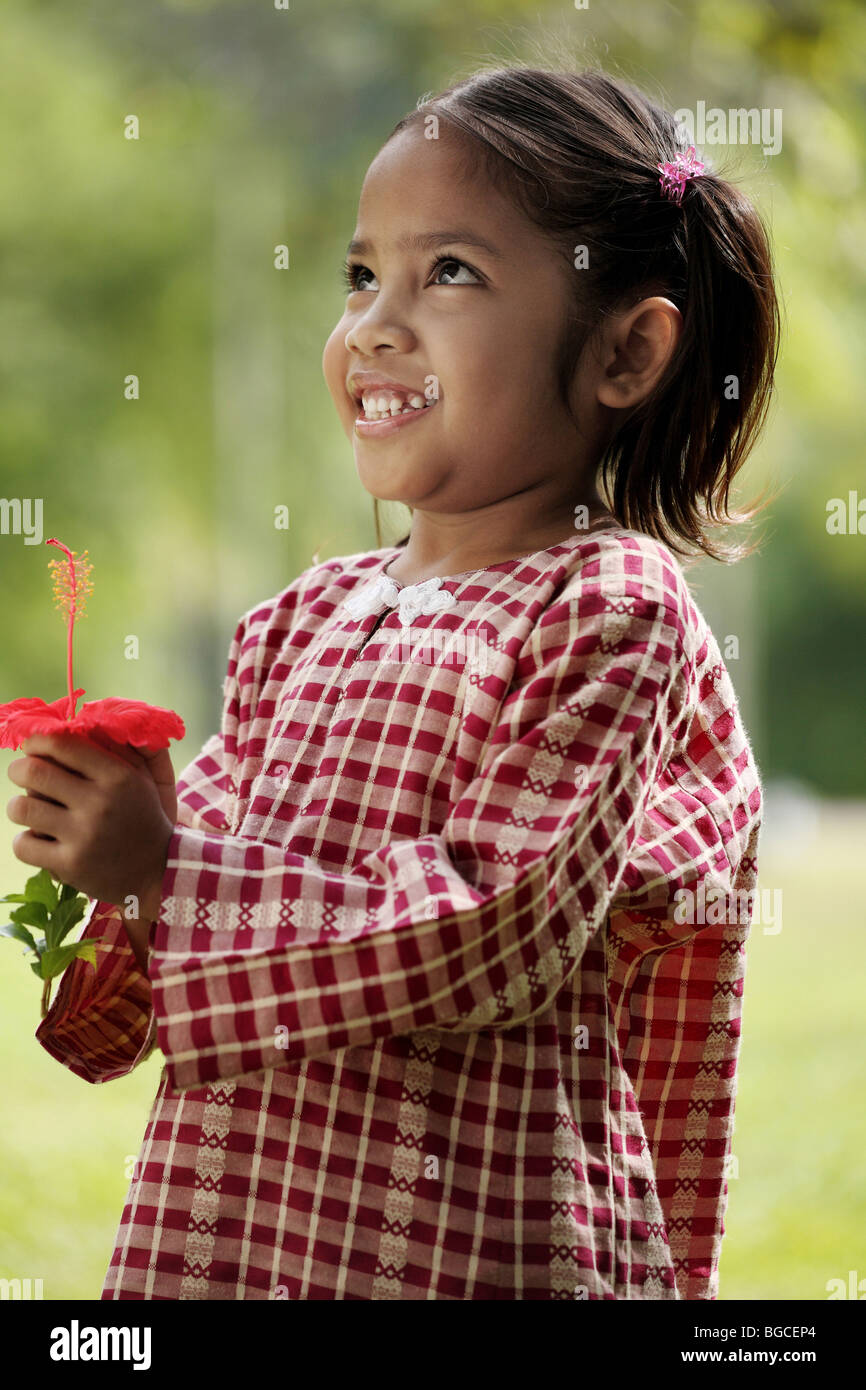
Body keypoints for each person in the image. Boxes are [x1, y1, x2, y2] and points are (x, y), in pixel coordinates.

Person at [7, 64, 779, 1300]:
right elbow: (167, 949)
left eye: (450, 273)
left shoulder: (607, 609)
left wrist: (169, 870)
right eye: (361, 275)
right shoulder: (298, 619)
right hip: (234, 1236)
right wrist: (113, 860)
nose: (373, 323)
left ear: (625, 352)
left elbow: (496, 927)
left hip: (470, 1243)